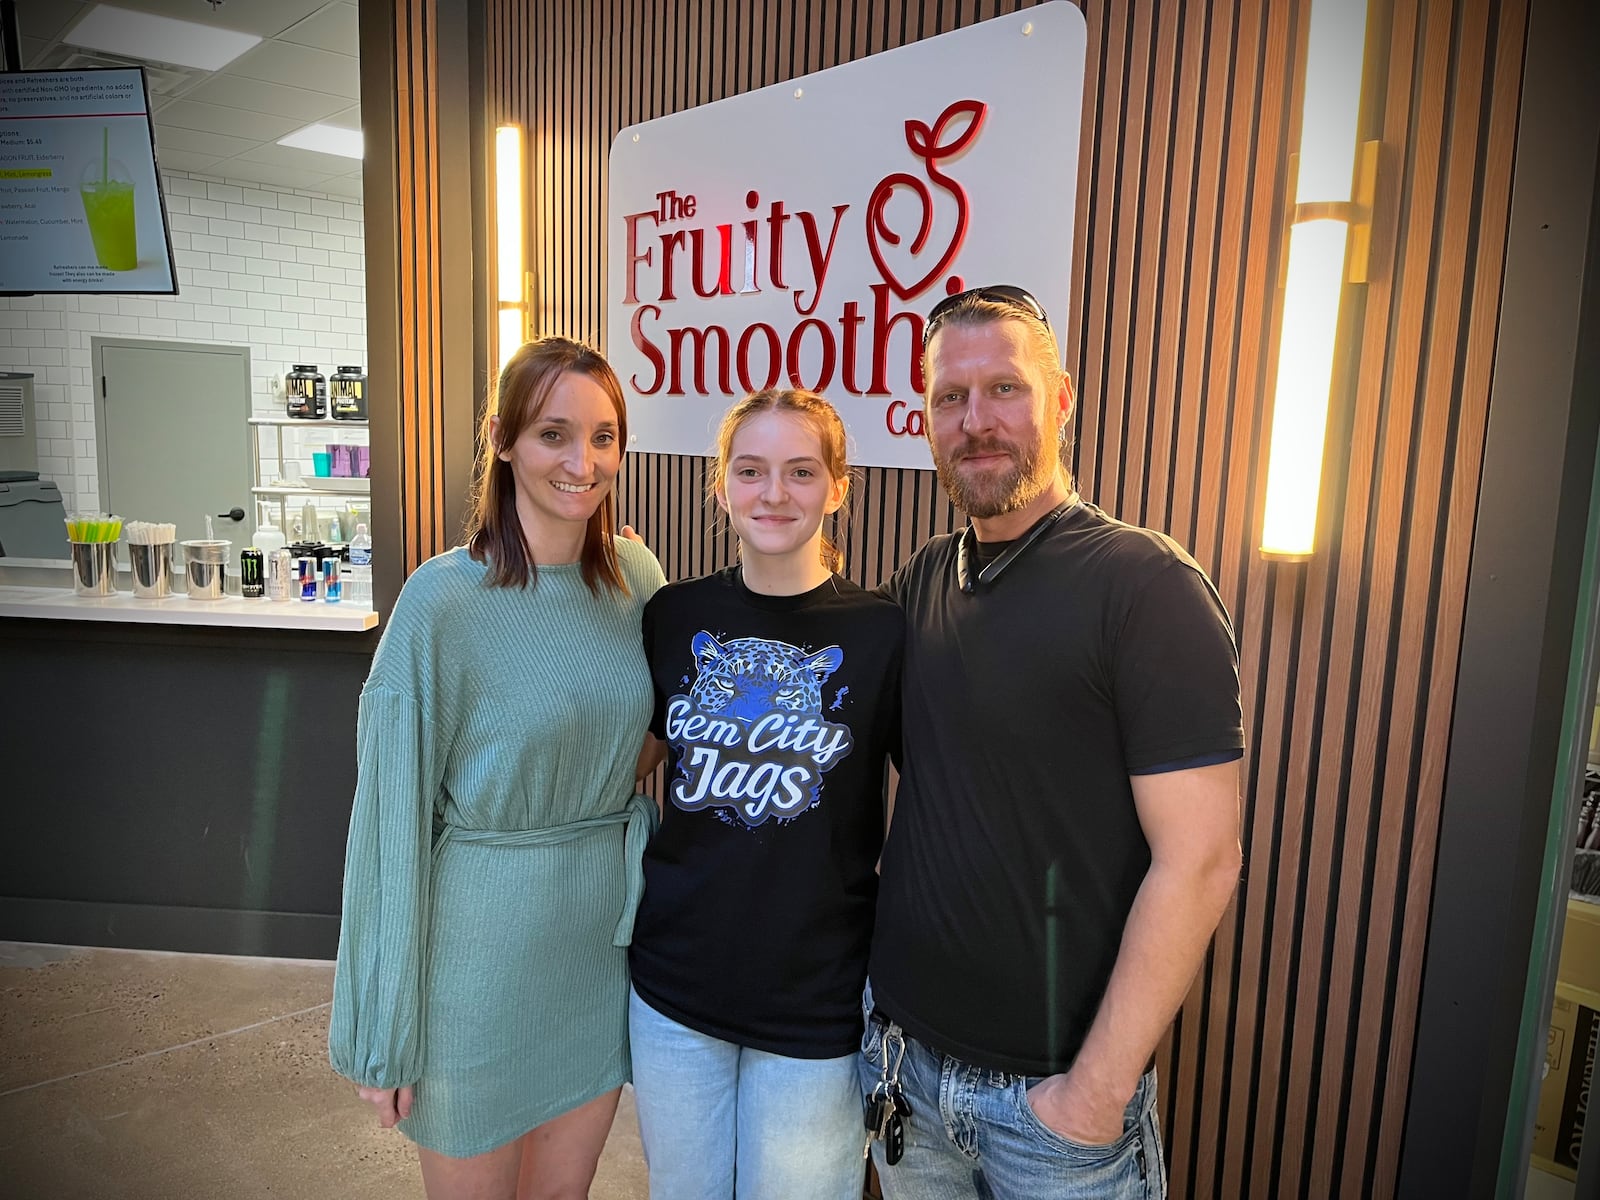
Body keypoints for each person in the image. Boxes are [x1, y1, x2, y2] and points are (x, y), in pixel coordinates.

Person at [861, 286, 1245, 1199]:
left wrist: (1093, 1095)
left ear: (1061, 400)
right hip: (907, 1069)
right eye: (950, 398)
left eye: (1005, 389)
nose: (975, 422)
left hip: (1053, 1109)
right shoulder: (924, 578)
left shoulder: (1143, 585)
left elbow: (1202, 859)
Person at [328, 336, 666, 1200]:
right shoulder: (440, 603)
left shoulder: (636, 576)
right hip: (476, 964)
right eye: (554, 434)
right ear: (502, 438)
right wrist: (385, 1025)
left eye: (602, 436)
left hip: (595, 954)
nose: (582, 462)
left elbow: (657, 734)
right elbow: (388, 829)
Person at [627, 389, 903, 1199]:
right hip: (676, 987)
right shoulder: (675, 615)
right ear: (722, 488)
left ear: (838, 487)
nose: (774, 493)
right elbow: (622, 756)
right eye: (750, 471)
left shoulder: (882, 631)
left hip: (815, 998)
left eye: (800, 471)